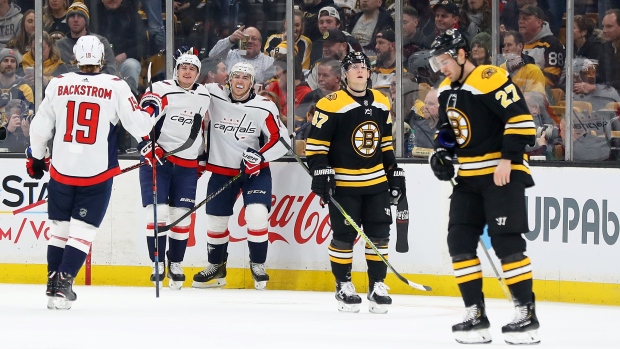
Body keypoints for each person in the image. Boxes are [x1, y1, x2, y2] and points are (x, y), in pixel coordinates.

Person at [26, 35, 161, 310]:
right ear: (101, 58)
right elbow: (139, 126)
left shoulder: (58, 83)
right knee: (82, 232)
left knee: (59, 229)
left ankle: (53, 285)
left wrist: (38, 158)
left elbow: (40, 128)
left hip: (62, 170)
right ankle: (64, 281)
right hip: (96, 173)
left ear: (75, 57)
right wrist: (152, 107)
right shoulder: (115, 86)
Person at [427, 29, 540, 344]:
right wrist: (442, 154)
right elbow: (449, 131)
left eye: (445, 60)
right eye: (438, 62)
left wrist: (508, 159)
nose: (441, 67)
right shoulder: (448, 89)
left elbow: (520, 120)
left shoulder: (490, 78)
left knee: (507, 243)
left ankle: (525, 314)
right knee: (459, 242)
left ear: (463, 54)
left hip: (501, 174)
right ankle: (474, 314)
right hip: (468, 178)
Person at [305, 51, 405, 314]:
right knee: (344, 236)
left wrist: (393, 168)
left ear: (369, 73)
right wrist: (321, 172)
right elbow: (316, 147)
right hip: (344, 184)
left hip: (376, 184)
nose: (360, 70)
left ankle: (377, 285)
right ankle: (344, 285)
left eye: (364, 67)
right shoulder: (330, 103)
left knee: (380, 236)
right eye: (354, 67)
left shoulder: (382, 101)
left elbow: (385, 143)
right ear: (345, 74)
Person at [192, 62, 288, 291]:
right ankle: (216, 267)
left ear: (252, 83)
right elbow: (188, 87)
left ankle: (257, 264)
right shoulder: (214, 95)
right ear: (229, 79)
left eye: (245, 77)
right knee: (216, 221)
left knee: (256, 214)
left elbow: (282, 140)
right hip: (222, 170)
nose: (240, 81)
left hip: (254, 172)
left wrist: (260, 157)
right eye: (236, 76)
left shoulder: (264, 106)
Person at [139, 47, 210, 290]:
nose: (187, 71)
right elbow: (140, 120)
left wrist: (202, 158)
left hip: (187, 164)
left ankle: (176, 263)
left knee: (181, 216)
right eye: (183, 67)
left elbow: (203, 128)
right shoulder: (159, 89)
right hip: (157, 161)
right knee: (155, 214)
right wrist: (146, 144)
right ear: (176, 70)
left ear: (198, 73)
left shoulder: (204, 95)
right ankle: (156, 263)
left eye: (192, 68)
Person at [56, 1, 116, 75]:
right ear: (67, 21)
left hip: (98, 84)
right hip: (70, 84)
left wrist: (96, 77)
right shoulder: (59, 45)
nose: (75, 19)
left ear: (86, 20)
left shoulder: (101, 41)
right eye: (72, 16)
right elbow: (55, 70)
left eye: (80, 16)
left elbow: (110, 67)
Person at [208, 26, 275, 84]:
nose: (249, 41)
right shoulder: (229, 55)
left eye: (254, 39)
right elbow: (212, 56)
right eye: (246, 38)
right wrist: (230, 40)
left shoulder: (269, 62)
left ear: (260, 44)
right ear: (240, 41)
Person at [518, 5, 565, 88]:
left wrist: (525, 86)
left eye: (525, 19)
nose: (520, 22)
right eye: (520, 19)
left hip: (543, 94)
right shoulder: (517, 42)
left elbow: (551, 79)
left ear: (539, 23)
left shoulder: (552, 44)